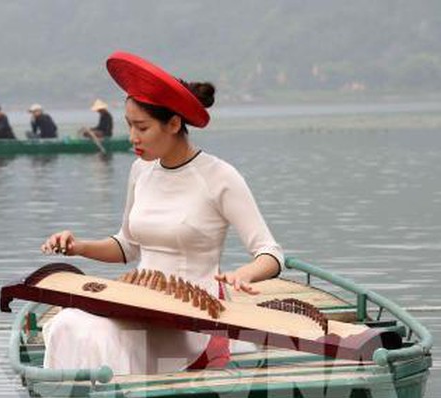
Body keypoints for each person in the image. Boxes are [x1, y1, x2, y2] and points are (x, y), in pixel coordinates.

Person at [40, 51, 284, 375]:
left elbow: (271, 253)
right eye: (129, 126)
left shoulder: (219, 177)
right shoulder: (141, 171)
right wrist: (78, 246)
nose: (132, 138)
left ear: (173, 123)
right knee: (67, 323)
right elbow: (127, 246)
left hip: (193, 317)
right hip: (141, 303)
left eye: (142, 127)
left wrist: (245, 274)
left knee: (95, 334)